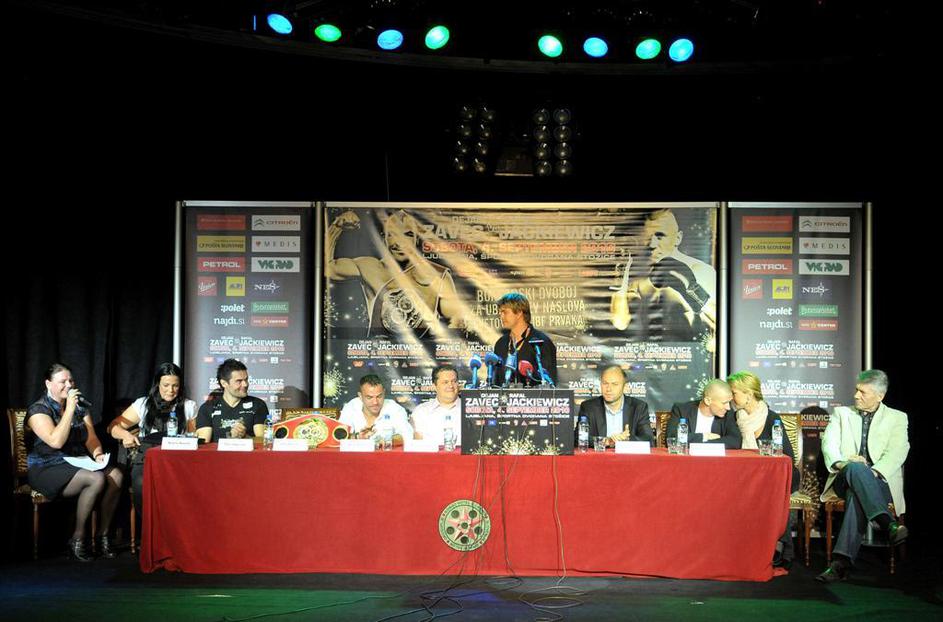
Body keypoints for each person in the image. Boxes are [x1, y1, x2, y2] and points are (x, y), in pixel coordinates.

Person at [816, 370, 909, 583]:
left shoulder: (897, 418)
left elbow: (897, 452)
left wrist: (870, 473)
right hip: (844, 475)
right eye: (857, 390)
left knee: (856, 493)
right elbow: (829, 445)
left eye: (863, 392)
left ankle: (840, 564)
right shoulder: (841, 414)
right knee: (856, 469)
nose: (856, 395)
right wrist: (845, 463)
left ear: (880, 396)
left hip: (880, 480)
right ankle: (887, 523)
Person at [25, 363, 123, 561]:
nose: (69, 385)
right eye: (63, 381)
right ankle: (77, 539)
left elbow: (91, 438)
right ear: (48, 384)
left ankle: (103, 535)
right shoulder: (38, 410)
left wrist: (98, 454)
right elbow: (56, 441)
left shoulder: (80, 408)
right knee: (96, 479)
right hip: (46, 466)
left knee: (116, 475)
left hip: (76, 462)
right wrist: (69, 409)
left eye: (71, 380)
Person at [326, 209, 463, 338]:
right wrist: (337, 227)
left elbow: (455, 320)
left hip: (422, 352)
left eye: (408, 235)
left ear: (416, 239)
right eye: (393, 234)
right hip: (378, 351)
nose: (400, 242)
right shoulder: (370, 267)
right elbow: (328, 268)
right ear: (384, 238)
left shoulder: (437, 275)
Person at [728, 370, 800, 568]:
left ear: (748, 394)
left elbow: (789, 456)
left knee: (772, 487)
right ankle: (775, 546)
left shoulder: (772, 418)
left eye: (734, 393)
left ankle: (778, 543)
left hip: (779, 474)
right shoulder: (733, 418)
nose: (731, 397)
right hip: (749, 475)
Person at [610, 209, 716, 342]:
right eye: (648, 237)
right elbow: (620, 323)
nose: (652, 244)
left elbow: (717, 324)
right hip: (648, 352)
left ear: (678, 238)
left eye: (660, 236)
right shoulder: (637, 277)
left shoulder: (700, 271)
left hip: (688, 351)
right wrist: (621, 279)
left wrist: (690, 288)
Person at [108, 362, 196, 513]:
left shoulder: (189, 406)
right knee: (141, 483)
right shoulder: (143, 404)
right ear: (157, 384)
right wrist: (125, 435)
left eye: (175, 386)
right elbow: (113, 426)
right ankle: (146, 525)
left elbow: (194, 437)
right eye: (166, 385)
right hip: (147, 458)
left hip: (177, 459)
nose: (171, 390)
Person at [577, 364, 653, 447]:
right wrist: (607, 441)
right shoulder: (588, 407)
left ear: (625, 387)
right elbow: (578, 438)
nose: (609, 389)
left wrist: (627, 440)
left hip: (627, 454)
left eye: (615, 384)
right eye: (605, 383)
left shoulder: (639, 407)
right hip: (600, 454)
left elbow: (647, 438)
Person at [493, 292, 557, 386]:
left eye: (505, 312)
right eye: (500, 312)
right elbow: (495, 382)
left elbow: (550, 383)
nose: (501, 316)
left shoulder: (541, 343)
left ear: (519, 313)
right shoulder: (501, 343)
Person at [196, 359, 268, 443]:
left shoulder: (258, 405)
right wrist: (230, 437)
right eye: (239, 381)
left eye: (246, 379)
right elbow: (203, 443)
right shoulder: (207, 408)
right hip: (218, 452)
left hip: (247, 451)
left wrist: (245, 437)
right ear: (224, 383)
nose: (245, 384)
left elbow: (263, 440)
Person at [339, 374, 413, 445]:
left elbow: (407, 435)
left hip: (385, 453)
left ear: (384, 393)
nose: (375, 402)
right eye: (369, 397)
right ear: (360, 396)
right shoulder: (351, 407)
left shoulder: (395, 409)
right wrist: (357, 437)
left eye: (379, 396)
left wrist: (388, 441)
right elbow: (339, 436)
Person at [666, 379, 741, 448]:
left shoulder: (728, 413)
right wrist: (704, 436)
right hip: (687, 457)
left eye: (729, 402)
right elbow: (672, 438)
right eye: (724, 403)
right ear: (707, 401)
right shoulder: (681, 410)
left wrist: (702, 445)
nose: (728, 407)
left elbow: (735, 441)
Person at [411, 365, 462, 447]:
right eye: (445, 382)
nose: (451, 386)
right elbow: (416, 445)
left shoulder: (470, 409)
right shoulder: (420, 412)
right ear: (434, 386)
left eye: (454, 381)